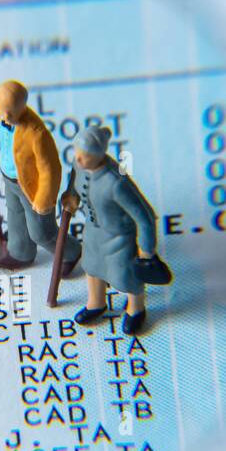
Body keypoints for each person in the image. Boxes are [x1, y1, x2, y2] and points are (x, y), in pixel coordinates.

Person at [60, 124, 157, 334]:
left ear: (98, 156)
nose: (77, 159)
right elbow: (73, 183)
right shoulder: (79, 166)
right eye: (76, 153)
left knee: (126, 274)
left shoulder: (116, 182)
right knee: (92, 268)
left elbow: (145, 216)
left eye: (83, 155)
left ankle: (136, 308)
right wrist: (71, 197)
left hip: (118, 237)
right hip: (93, 231)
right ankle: (96, 303)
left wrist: (147, 251)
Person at [0, 80, 81, 274]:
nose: (5, 116)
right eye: (3, 110)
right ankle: (20, 252)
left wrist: (44, 199)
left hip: (32, 189)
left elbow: (50, 169)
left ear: (22, 107)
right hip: (10, 179)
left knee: (41, 232)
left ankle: (71, 252)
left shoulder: (37, 134)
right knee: (15, 215)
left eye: (11, 111)